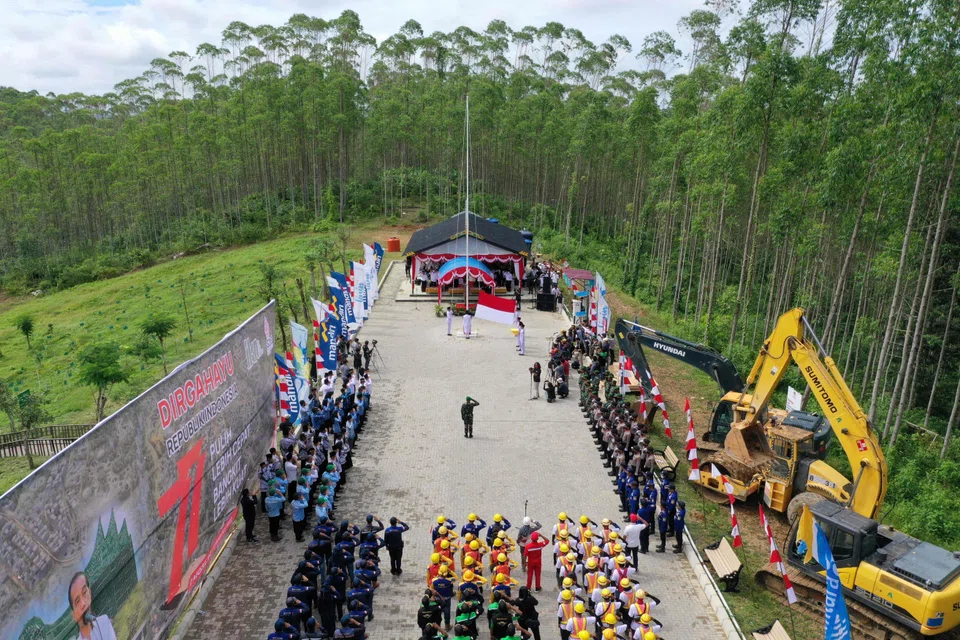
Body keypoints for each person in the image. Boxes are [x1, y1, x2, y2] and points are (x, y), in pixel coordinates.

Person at [68, 572, 117, 640]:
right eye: (78, 601)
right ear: (74, 616)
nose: (83, 603)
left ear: (89, 593)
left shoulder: (104, 622)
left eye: (84, 592)